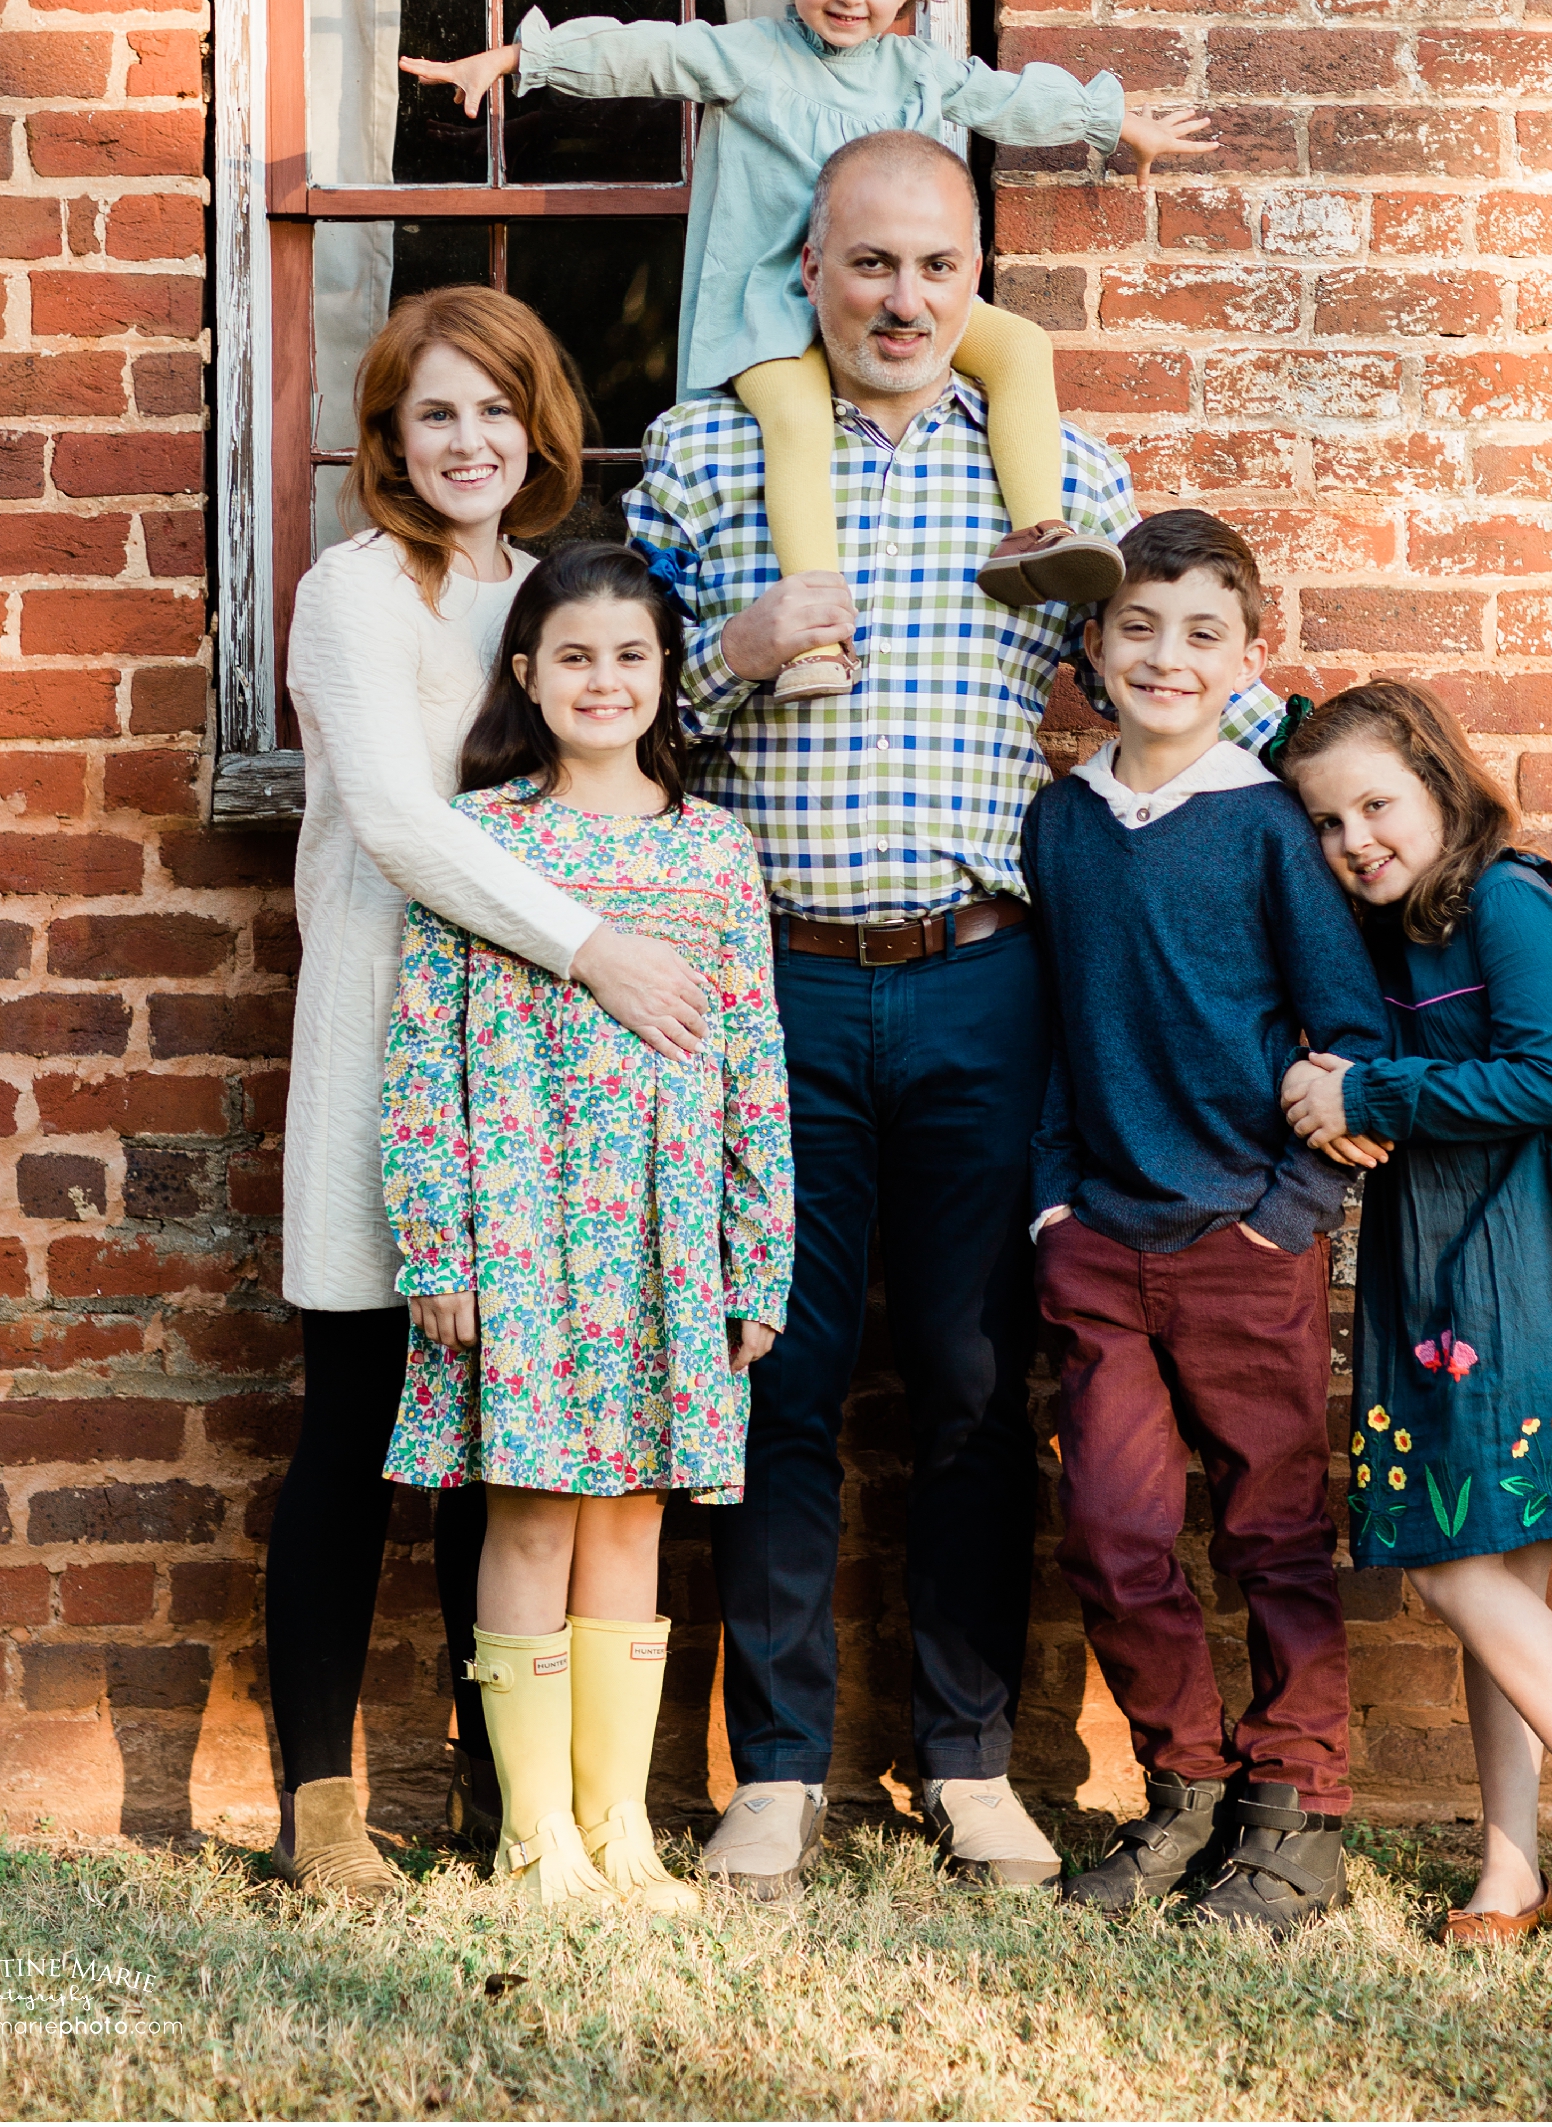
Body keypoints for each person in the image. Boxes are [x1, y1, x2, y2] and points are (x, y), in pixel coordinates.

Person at [624, 134, 1299, 1898]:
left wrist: (1369, 795)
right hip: (769, 974)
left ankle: (967, 1754)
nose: (903, 298)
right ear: (809, 273)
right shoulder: (705, 462)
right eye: (868, 265)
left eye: (935, 267)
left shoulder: (1061, 475)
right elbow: (609, 734)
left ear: (973, 282)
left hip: (987, 977)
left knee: (980, 1381)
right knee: (777, 1367)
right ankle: (771, 1765)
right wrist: (730, 650)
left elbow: (1172, 685)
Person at [270, 287, 721, 1902]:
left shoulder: (549, 596)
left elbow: (628, 734)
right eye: (432, 412)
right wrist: (598, 943)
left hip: (535, 1096)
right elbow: (395, 817)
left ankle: (503, 1799)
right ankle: (318, 1805)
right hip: (383, 1042)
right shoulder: (351, 590)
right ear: (388, 438)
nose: (468, 440)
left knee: (506, 1445)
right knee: (356, 1431)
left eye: (495, 409)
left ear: (536, 430)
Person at [402, 0, 1214, 695]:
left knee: (1019, 351)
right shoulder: (746, 57)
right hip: (770, 306)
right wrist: (518, 62)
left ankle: (1037, 531)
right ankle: (818, 635)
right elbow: (643, 54)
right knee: (797, 425)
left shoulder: (916, 72)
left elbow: (1005, 99)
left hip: (881, 302)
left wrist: (1114, 123)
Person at [379, 541, 793, 1918]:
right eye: (574, 655)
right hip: (522, 1226)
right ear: (527, 675)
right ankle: (532, 1834)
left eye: (630, 654)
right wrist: (437, 1243)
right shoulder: (482, 838)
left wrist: (760, 1246)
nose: (603, 678)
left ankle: (616, 1827)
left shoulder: (715, 847)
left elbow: (754, 1059)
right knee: (532, 1507)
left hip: (666, 1238)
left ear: (668, 674)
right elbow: (421, 1046)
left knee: (631, 1512)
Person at [1281, 680, 1552, 1948]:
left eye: (1376, 802)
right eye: (1325, 820)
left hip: (1527, 1255)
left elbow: (1546, 1073)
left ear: (1436, 780)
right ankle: (1507, 1868)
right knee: (1504, 1571)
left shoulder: (1500, 900)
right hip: (1440, 1256)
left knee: (1457, 1554)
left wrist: (1365, 1085)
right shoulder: (1398, 919)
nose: (1354, 837)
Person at [1021, 511, 1390, 1937]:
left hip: (1245, 1240)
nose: (1166, 655)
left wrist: (1283, 1212)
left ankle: (1299, 1812)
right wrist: (1055, 1201)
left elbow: (1346, 1031)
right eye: (1138, 627)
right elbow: (1057, 1021)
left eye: (1201, 632)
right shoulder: (1064, 820)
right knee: (1115, 1532)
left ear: (1250, 655)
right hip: (1101, 1240)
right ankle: (1184, 1789)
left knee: (1274, 1530)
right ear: (1092, 650)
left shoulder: (1268, 827)